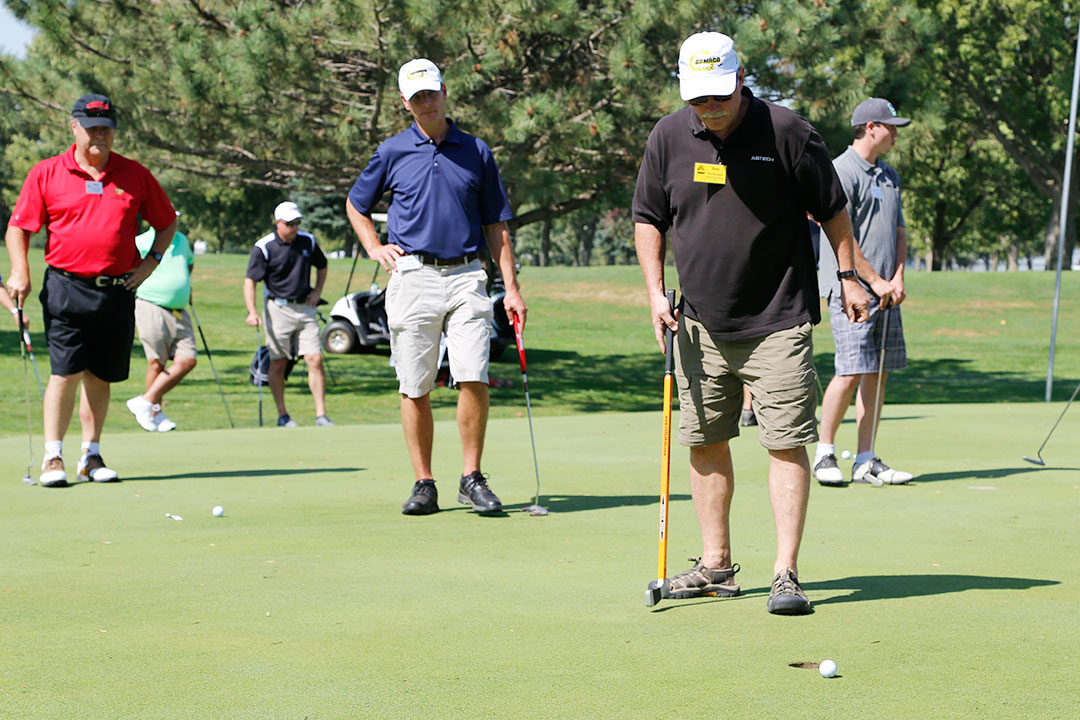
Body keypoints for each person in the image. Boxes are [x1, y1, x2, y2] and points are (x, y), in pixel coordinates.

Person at [632, 33, 872, 614]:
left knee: (786, 442)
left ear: (742, 79)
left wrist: (846, 275)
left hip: (779, 317)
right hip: (699, 323)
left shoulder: (788, 132)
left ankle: (786, 573)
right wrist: (653, 292)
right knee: (706, 440)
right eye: (699, 100)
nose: (710, 109)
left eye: (719, 96)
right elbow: (648, 219)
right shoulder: (668, 136)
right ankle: (716, 566)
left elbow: (833, 210)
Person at [345, 57, 527, 516]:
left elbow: (496, 224)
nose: (426, 102)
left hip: (467, 275)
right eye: (417, 96)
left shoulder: (476, 150)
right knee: (415, 383)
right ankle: (424, 483)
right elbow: (356, 204)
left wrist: (512, 287)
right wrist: (374, 247)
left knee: (473, 374)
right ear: (405, 102)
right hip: (413, 276)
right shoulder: (391, 152)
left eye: (432, 93)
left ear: (445, 92)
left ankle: (471, 477)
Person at [5, 93, 177, 487]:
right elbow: (19, 227)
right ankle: (53, 457)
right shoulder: (47, 172)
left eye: (106, 127)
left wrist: (150, 263)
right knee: (65, 373)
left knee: (100, 376)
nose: (100, 134)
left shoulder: (134, 174)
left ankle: (91, 455)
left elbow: (166, 222)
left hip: (116, 290)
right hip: (66, 287)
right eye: (92, 127)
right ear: (74, 127)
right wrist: (20, 270)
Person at [814, 98, 914, 487]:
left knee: (878, 371)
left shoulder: (889, 175)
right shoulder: (841, 170)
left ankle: (866, 458)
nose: (895, 133)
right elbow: (843, 235)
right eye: (891, 126)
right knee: (851, 369)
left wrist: (898, 276)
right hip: (851, 288)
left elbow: (900, 232)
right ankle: (824, 453)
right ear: (870, 127)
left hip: (888, 290)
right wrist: (873, 281)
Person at [243, 201, 333, 428]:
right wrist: (252, 311)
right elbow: (250, 281)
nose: (295, 228)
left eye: (297, 223)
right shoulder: (264, 247)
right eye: (290, 224)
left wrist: (317, 292)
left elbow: (322, 266)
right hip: (278, 309)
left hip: (305, 308)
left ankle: (321, 415)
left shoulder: (308, 241)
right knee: (278, 363)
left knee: (315, 358)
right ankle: (283, 415)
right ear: (278, 223)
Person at [125, 214, 197, 432]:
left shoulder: (182, 240)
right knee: (157, 362)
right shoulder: (142, 241)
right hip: (151, 305)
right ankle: (154, 412)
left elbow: (189, 264)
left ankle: (145, 402)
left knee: (188, 360)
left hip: (179, 310)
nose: (172, 223)